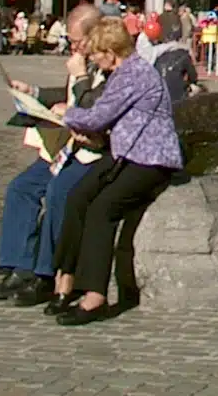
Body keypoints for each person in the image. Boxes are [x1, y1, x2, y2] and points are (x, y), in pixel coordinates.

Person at [52, 17, 183, 324]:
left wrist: (66, 113)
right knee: (78, 196)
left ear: (111, 53)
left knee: (103, 209)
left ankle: (95, 296)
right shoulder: (122, 73)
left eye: (96, 54)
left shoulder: (134, 74)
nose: (94, 60)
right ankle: (65, 277)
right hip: (125, 154)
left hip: (151, 160)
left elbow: (98, 116)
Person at [0, 4, 108, 306]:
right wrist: (34, 93)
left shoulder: (107, 64)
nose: (73, 47)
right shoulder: (81, 62)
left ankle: (45, 274)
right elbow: (69, 96)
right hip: (66, 145)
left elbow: (97, 108)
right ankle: (18, 266)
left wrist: (79, 81)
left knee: (57, 192)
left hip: (93, 151)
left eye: (77, 41)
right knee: (21, 188)